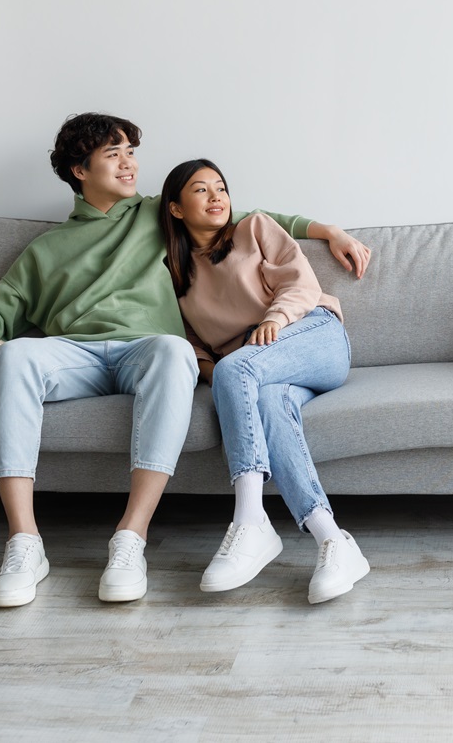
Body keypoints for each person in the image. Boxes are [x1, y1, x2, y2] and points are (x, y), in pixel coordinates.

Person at [0, 114, 370, 609]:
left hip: (156, 350)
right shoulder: (45, 250)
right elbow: (2, 306)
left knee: (180, 350)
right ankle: (24, 544)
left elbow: (242, 218)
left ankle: (133, 539)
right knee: (13, 356)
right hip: (76, 353)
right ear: (80, 170)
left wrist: (328, 230)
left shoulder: (157, 212)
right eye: (113, 154)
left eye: (131, 153)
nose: (129, 164)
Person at [159, 159, 367, 604]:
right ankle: (335, 541)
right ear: (175, 209)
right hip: (263, 371)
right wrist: (213, 371)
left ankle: (250, 520)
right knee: (267, 401)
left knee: (239, 367)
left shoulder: (253, 227)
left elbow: (301, 282)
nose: (217, 197)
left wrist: (273, 320)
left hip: (313, 334)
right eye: (201, 190)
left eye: (221, 187)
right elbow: (189, 339)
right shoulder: (174, 273)